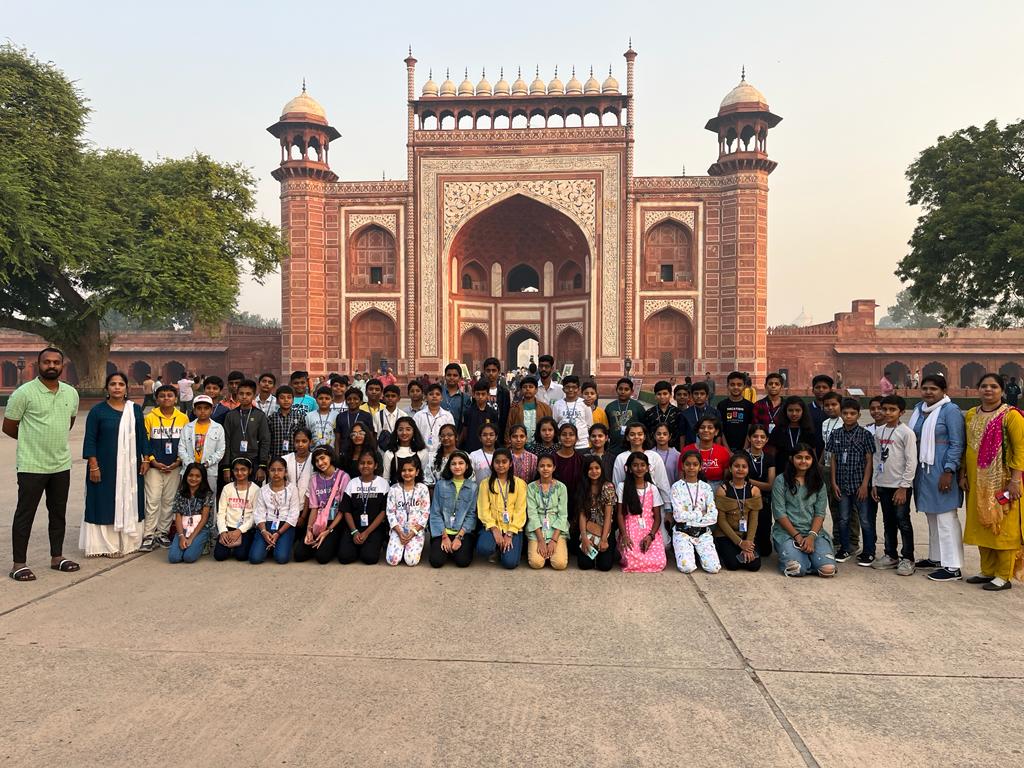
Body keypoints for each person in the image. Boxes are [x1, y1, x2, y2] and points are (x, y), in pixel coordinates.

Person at [5, 347, 81, 581]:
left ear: (62, 365)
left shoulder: (70, 393)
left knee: (58, 513)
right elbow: (8, 426)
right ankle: (19, 564)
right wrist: (32, 440)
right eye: (46, 362)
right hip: (31, 464)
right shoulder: (24, 393)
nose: (51, 366)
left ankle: (57, 557)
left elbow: (68, 422)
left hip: (60, 463)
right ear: (38, 365)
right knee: (25, 514)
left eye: (56, 362)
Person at [961, 373, 1024, 591]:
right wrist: (964, 475)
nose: (988, 390)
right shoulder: (971, 415)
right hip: (977, 481)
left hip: (1003, 482)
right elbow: (967, 448)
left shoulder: (1011, 416)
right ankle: (987, 570)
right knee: (982, 524)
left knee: (1003, 528)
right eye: (984, 386)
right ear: (978, 389)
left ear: (1002, 390)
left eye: (994, 386)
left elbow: (1020, 449)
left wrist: (1015, 480)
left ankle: (1003, 575)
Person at [81, 372, 149, 557]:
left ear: (126, 388)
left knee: (129, 498)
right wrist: (93, 466)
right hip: (105, 466)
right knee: (104, 500)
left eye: (121, 384)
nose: (117, 387)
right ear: (107, 388)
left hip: (130, 466)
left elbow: (142, 435)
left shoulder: (134, 410)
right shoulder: (98, 411)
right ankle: (106, 545)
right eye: (113, 384)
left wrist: (146, 459)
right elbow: (90, 439)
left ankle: (129, 542)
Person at [908, 375, 966, 581]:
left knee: (946, 517)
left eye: (933, 389)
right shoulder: (919, 409)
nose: (928, 392)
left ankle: (953, 566)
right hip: (924, 470)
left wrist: (949, 471)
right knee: (932, 515)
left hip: (942, 469)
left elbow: (957, 443)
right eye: (925, 388)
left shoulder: (950, 411)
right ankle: (937, 557)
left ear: (943, 390)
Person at [771, 444, 836, 577]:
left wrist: (811, 537)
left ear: (812, 460)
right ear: (791, 459)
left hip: (813, 533)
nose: (803, 461)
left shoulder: (819, 483)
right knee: (797, 570)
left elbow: (820, 513)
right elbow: (779, 513)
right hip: (787, 534)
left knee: (828, 570)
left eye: (807, 458)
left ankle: (809, 559)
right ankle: (801, 559)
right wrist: (798, 536)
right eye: (799, 457)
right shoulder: (781, 480)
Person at [870, 395, 918, 575]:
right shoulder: (879, 431)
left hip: (900, 486)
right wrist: (875, 482)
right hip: (883, 483)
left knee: (903, 521)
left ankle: (908, 558)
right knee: (888, 521)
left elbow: (911, 461)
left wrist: (904, 486)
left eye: (892, 409)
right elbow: (876, 458)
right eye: (885, 409)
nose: (887, 413)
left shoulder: (906, 433)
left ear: (901, 412)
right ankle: (891, 554)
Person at [827, 398, 875, 565]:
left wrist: (865, 485)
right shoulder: (836, 434)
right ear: (841, 414)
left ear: (859, 415)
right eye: (845, 413)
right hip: (842, 484)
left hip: (859, 484)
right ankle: (845, 548)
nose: (848, 416)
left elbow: (869, 460)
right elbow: (833, 459)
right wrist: (833, 482)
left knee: (865, 520)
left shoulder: (865, 434)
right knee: (843, 518)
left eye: (852, 413)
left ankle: (869, 551)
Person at [141, 384, 189, 551]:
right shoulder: (150, 417)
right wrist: (152, 461)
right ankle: (148, 534)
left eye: (170, 395)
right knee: (153, 500)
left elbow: (186, 442)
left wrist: (178, 461)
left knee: (169, 501)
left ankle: (162, 533)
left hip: (174, 466)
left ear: (176, 399)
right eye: (162, 396)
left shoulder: (183, 418)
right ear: (157, 399)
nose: (166, 398)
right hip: (155, 467)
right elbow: (145, 442)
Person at [667, 449, 722, 574]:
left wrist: (691, 517)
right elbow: (679, 517)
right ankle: (688, 552)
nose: (691, 467)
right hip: (683, 532)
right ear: (682, 466)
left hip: (702, 533)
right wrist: (699, 513)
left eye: (695, 464)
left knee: (713, 568)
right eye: (688, 464)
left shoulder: (706, 487)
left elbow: (713, 516)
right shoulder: (676, 487)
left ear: (700, 467)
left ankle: (698, 553)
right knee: (687, 568)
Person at [294, 446, 350, 564]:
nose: (320, 463)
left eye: (322, 458)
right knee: (299, 555)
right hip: (318, 522)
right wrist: (309, 529)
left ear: (330, 456)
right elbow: (314, 507)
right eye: (316, 460)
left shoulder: (343, 477)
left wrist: (328, 530)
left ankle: (331, 544)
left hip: (335, 523)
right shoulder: (314, 479)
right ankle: (322, 544)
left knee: (322, 557)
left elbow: (342, 510)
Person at [475, 448, 527, 569]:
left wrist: (509, 533)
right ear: (493, 464)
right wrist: (495, 530)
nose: (501, 465)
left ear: (510, 463)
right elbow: (483, 510)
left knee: (509, 563)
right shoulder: (485, 483)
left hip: (513, 528)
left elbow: (520, 511)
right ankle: (496, 548)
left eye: (504, 462)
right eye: (497, 462)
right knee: (483, 548)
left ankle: (506, 550)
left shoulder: (520, 484)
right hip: (493, 526)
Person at [616, 451, 667, 572]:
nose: (639, 468)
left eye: (642, 465)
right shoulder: (622, 487)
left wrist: (651, 536)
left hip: (649, 530)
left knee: (660, 562)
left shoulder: (652, 488)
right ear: (628, 468)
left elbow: (657, 517)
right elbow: (620, 514)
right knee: (631, 560)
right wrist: (624, 535)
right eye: (635, 465)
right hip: (629, 529)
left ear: (647, 468)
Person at [338, 451, 390, 565]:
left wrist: (366, 533)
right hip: (354, 528)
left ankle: (371, 545)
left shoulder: (383, 484)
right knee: (344, 558)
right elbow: (346, 510)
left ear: (375, 465)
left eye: (369, 463)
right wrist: (355, 532)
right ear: (358, 465)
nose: (365, 466)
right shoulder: (352, 483)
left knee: (369, 558)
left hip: (373, 528)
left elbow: (383, 512)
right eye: (362, 463)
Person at [428, 451, 478, 568]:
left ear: (467, 466)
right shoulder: (441, 485)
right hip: (442, 531)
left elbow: (471, 515)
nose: (457, 466)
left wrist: (459, 537)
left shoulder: (473, 487)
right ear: (449, 466)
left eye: (461, 463)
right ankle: (447, 549)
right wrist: (444, 537)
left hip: (462, 532)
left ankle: (454, 549)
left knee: (463, 561)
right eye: (453, 464)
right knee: (436, 562)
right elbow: (435, 513)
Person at [715, 452, 762, 572]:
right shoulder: (722, 490)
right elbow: (721, 520)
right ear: (730, 468)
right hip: (727, 535)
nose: (740, 469)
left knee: (754, 565)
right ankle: (722, 549)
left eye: (744, 466)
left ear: (748, 469)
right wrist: (740, 543)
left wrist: (749, 544)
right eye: (736, 466)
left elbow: (754, 519)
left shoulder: (754, 490)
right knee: (733, 564)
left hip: (747, 534)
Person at [248, 457, 301, 564]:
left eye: (280, 470)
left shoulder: (292, 489)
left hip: (284, 526)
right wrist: (263, 532)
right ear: (268, 471)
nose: (276, 473)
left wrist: (278, 533)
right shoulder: (263, 490)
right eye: (273, 470)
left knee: (281, 558)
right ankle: (270, 544)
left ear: (285, 472)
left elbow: (294, 515)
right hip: (266, 526)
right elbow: (259, 513)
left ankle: (276, 545)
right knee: (255, 558)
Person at [220, 379, 271, 486]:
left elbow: (265, 441)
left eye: (248, 394)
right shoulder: (231, 415)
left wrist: (262, 466)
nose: (244, 397)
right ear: (237, 395)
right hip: (234, 461)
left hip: (254, 461)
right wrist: (226, 467)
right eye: (241, 394)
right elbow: (226, 441)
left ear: (253, 396)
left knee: (253, 495)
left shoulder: (259, 415)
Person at [385, 456, 430, 566]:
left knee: (411, 561)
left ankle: (413, 548)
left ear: (417, 472)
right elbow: (390, 512)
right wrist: (399, 532)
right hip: (398, 530)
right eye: (404, 470)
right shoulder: (394, 489)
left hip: (415, 531)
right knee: (392, 560)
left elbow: (425, 512)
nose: (407, 473)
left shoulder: (422, 489)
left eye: (410, 470)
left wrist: (413, 532)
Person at [526, 454, 569, 570]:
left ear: (554, 468)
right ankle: (544, 553)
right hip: (537, 530)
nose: (545, 469)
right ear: (537, 468)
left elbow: (563, 515)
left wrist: (554, 540)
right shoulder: (531, 487)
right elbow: (532, 514)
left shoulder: (561, 487)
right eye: (542, 466)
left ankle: (553, 553)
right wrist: (540, 540)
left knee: (560, 564)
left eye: (549, 466)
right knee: (536, 563)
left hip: (556, 530)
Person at [167, 463, 215, 564]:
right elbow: (178, 516)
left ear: (203, 478)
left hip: (200, 529)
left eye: (197, 476)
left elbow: (204, 518)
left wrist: (191, 538)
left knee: (189, 557)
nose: (193, 478)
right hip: (184, 528)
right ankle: (188, 544)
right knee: (174, 558)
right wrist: (181, 536)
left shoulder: (207, 494)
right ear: (186, 476)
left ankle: (204, 542)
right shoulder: (180, 493)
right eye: (191, 475)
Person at [176, 394, 225, 493]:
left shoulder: (218, 428)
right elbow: (181, 448)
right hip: (189, 470)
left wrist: (207, 464)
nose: (202, 411)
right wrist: (191, 465)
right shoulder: (187, 427)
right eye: (199, 408)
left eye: (206, 408)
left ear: (211, 410)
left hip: (209, 470)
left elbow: (221, 450)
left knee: (209, 499)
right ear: (194, 411)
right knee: (189, 497)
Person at [577, 455, 617, 571]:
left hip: (605, 530)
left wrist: (604, 539)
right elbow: (582, 515)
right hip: (587, 530)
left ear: (601, 469)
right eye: (590, 469)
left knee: (604, 566)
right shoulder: (583, 487)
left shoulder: (608, 487)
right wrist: (584, 538)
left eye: (597, 468)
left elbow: (609, 516)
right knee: (585, 565)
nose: (594, 471)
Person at [214, 458, 260, 561]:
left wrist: (240, 530)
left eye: (243, 469)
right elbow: (221, 512)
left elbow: (255, 515)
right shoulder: (227, 488)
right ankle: (232, 545)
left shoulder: (256, 490)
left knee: (241, 556)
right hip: (228, 527)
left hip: (245, 529)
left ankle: (239, 545)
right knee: (219, 556)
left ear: (250, 471)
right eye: (236, 470)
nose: (239, 473)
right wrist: (222, 531)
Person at [745, 424, 776, 558]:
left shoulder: (769, 458)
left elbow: (770, 485)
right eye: (755, 436)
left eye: (762, 437)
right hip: (743, 500)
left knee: (765, 551)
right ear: (749, 438)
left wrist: (748, 481)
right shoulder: (741, 456)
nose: (759, 440)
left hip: (763, 501)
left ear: (767, 440)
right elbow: (735, 480)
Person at [768, 396, 821, 473]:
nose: (794, 414)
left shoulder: (808, 431)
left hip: (804, 471)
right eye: (790, 410)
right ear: (785, 411)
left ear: (803, 411)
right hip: (782, 471)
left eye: (797, 410)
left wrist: (816, 471)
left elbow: (813, 454)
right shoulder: (778, 430)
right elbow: (772, 455)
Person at [680, 417, 731, 492]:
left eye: (710, 428)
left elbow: (726, 479)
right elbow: (681, 475)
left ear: (716, 432)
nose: (706, 430)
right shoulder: (687, 450)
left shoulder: (723, 451)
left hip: (717, 491)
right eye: (702, 427)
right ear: (697, 431)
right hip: (691, 490)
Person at [415, 383, 456, 462]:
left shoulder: (447, 416)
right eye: (431, 394)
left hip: (443, 454)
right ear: (426, 397)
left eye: (437, 394)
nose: (434, 396)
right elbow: (415, 436)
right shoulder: (419, 416)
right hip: (422, 454)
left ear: (441, 398)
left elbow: (452, 436)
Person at [381, 416, 429, 483]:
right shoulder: (389, 453)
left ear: (413, 431)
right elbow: (386, 478)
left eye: (408, 429)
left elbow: (424, 475)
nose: (404, 433)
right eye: (400, 430)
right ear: (396, 431)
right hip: (395, 491)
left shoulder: (422, 452)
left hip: (417, 491)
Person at [716, 371, 756, 453]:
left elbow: (750, 430)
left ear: (744, 386)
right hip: (725, 449)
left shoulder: (750, 406)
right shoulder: (721, 405)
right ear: (727, 386)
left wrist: (744, 450)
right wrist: (728, 451)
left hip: (745, 449)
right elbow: (720, 430)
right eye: (732, 384)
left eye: (739, 385)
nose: (736, 387)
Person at [606, 377, 647, 455]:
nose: (623, 392)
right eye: (620, 389)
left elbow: (644, 426)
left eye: (626, 389)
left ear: (632, 391)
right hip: (614, 449)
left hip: (633, 449)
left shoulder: (637, 407)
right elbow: (607, 428)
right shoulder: (610, 407)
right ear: (616, 390)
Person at [551, 375, 593, 450]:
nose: (570, 390)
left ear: (579, 389)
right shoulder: (557, 404)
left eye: (574, 387)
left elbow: (589, 424)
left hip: (581, 445)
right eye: (567, 387)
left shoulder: (584, 404)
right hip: (563, 445)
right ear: (563, 389)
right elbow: (555, 424)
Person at [507, 375, 550, 444]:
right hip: (519, 446)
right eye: (524, 387)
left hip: (540, 446)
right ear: (521, 390)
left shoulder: (545, 408)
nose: (527, 389)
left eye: (531, 387)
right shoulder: (515, 408)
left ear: (536, 390)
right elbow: (509, 428)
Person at [462, 380, 501, 453]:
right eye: (478, 394)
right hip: (471, 449)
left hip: (488, 449)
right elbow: (465, 432)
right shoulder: (468, 412)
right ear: (473, 395)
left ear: (488, 395)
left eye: (483, 394)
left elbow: (495, 432)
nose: (480, 397)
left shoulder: (493, 413)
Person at [267, 385, 306, 458]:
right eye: (282, 398)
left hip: (295, 456)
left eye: (289, 397)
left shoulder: (300, 417)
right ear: (277, 401)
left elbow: (303, 438)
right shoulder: (271, 418)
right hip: (276, 456)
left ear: (293, 400)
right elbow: (268, 440)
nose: (286, 400)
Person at [481, 357, 512, 440]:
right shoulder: (479, 391)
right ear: (484, 372)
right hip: (482, 435)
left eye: (494, 370)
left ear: (498, 372)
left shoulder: (504, 393)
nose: (491, 373)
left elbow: (506, 416)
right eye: (488, 370)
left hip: (499, 435)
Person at [643, 380, 680, 449]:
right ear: (655, 396)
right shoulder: (649, 412)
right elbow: (646, 432)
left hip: (673, 449)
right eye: (659, 394)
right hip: (653, 449)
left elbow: (680, 434)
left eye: (665, 394)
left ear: (670, 395)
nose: (662, 396)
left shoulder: (677, 412)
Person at [677, 381, 714, 448]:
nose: (699, 396)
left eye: (702, 394)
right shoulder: (685, 414)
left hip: (710, 450)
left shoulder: (714, 412)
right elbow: (682, 436)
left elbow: (718, 435)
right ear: (691, 395)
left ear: (707, 396)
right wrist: (682, 452)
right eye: (696, 394)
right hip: (690, 451)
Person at [425, 423, 459, 489]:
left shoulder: (464, 456)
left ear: (456, 437)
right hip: (438, 496)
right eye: (442, 435)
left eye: (449, 435)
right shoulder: (433, 457)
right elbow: (429, 482)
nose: (446, 438)